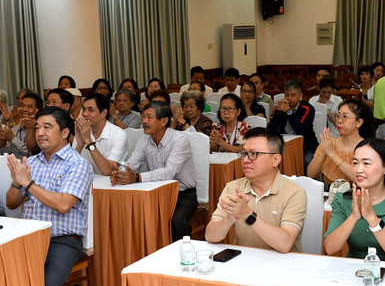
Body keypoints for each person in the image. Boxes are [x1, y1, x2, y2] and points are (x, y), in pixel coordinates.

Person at [5, 106, 93, 286]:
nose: (40, 133)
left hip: (62, 239)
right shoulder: (30, 162)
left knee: (47, 284)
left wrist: (28, 183)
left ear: (65, 132)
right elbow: (11, 203)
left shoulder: (76, 165)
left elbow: (64, 204)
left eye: (47, 127)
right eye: (37, 127)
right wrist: (15, 181)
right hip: (27, 236)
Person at [205, 127, 306, 253]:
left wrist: (247, 214)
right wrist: (229, 219)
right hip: (244, 262)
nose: (246, 160)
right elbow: (210, 236)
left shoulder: (294, 193)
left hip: (282, 266)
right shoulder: (233, 188)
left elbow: (285, 244)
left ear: (276, 160)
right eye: (244, 153)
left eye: (254, 154)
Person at [112, 101, 197, 241]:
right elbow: (132, 164)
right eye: (143, 116)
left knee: (176, 222)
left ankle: (183, 255)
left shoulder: (180, 139)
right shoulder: (144, 140)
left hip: (182, 195)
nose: (144, 121)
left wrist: (138, 178)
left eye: (149, 117)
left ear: (164, 121)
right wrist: (120, 174)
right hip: (155, 194)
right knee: (132, 216)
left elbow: (170, 172)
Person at [324, 138, 385, 264]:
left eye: (366, 163)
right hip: (355, 270)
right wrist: (353, 217)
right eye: (355, 163)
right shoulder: (344, 200)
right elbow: (330, 248)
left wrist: (372, 218)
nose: (358, 170)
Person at [307, 99, 374, 184]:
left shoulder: (367, 148)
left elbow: (361, 180)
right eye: (338, 116)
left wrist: (332, 154)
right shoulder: (330, 143)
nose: (339, 121)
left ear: (359, 122)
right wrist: (323, 152)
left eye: (345, 117)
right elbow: (310, 174)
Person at [267, 79, 319, 168]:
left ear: (300, 96)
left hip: (305, 145)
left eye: (293, 95)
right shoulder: (280, 108)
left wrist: (288, 111)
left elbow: (301, 130)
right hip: (284, 145)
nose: (289, 98)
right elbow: (270, 130)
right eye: (287, 95)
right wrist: (279, 112)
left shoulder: (307, 108)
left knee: (308, 161)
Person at [73, 94, 127, 176]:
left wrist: (88, 141)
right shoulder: (81, 131)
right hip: (85, 181)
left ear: (104, 113)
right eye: (83, 109)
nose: (84, 114)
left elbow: (107, 171)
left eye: (90, 110)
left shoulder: (118, 134)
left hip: (110, 184)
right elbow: (69, 167)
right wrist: (79, 146)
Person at [0, 91, 41, 158]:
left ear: (38, 110)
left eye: (29, 106)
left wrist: (12, 138)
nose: (24, 109)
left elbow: (32, 155)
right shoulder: (15, 128)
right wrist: (2, 144)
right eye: (22, 105)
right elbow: (4, 156)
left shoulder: (40, 130)